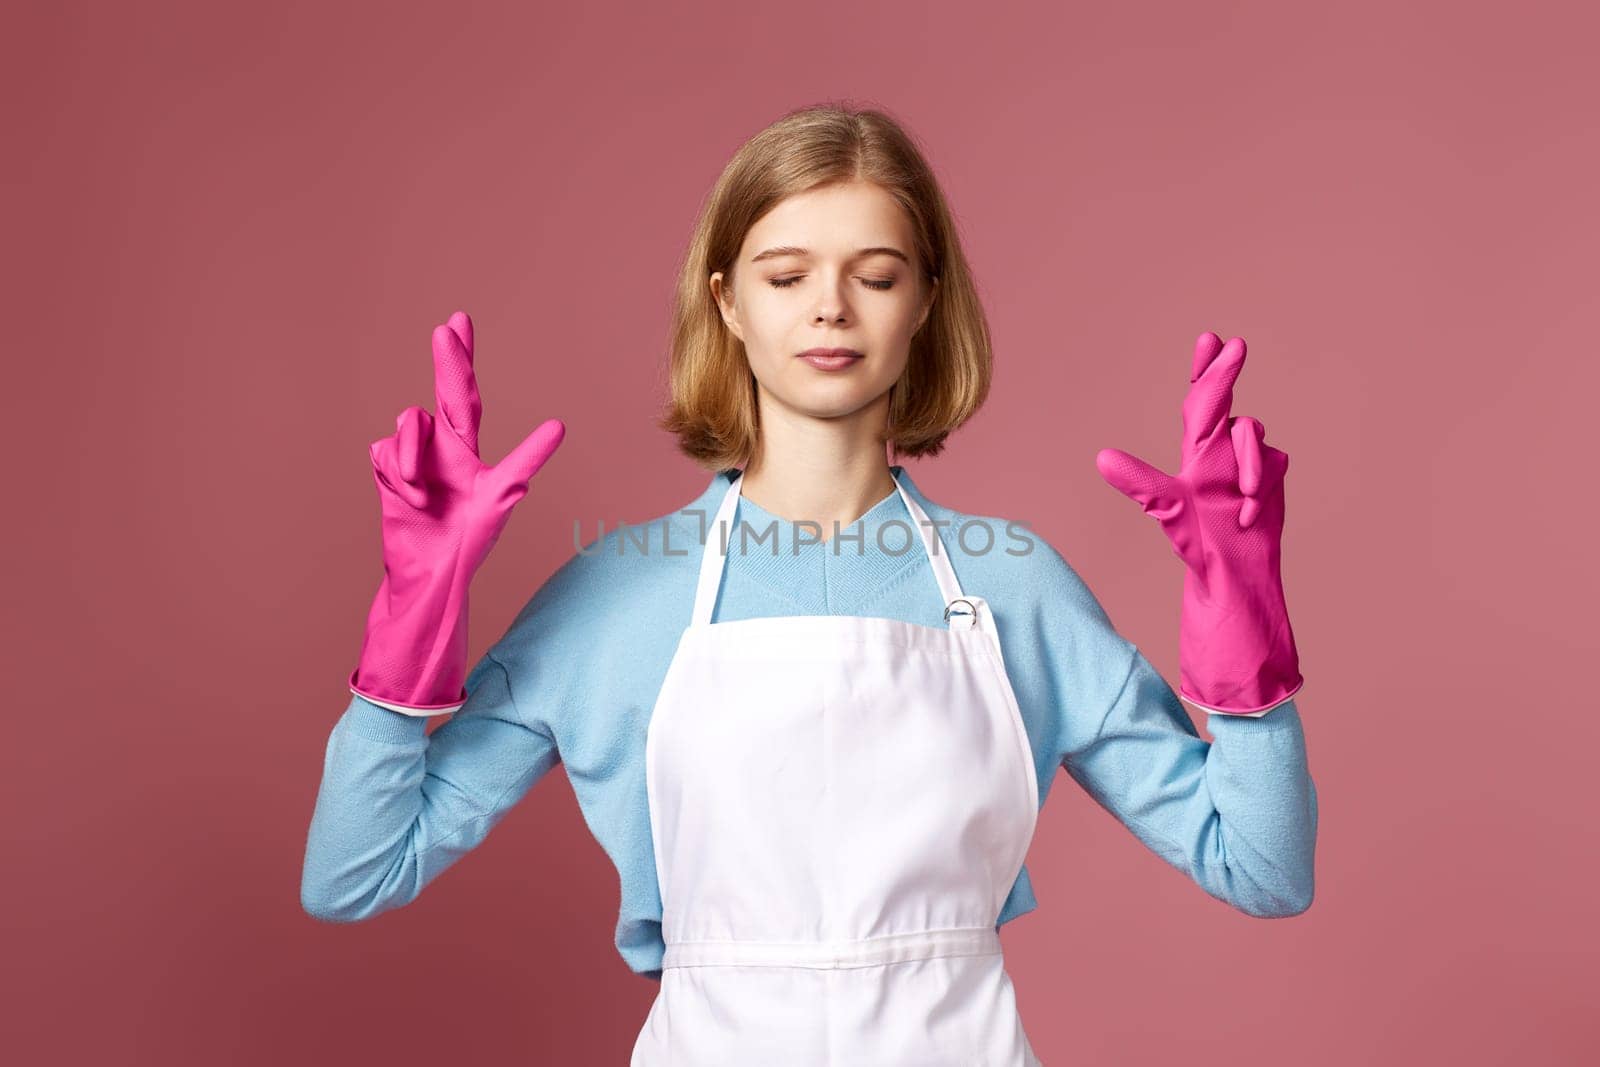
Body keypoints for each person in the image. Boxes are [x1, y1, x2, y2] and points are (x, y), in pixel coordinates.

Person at [300, 103, 1317, 1065]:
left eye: (874, 274)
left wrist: (1248, 647)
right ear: (726, 299)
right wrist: (407, 625)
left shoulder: (1016, 588)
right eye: (785, 275)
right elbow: (355, 873)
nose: (830, 305)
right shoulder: (614, 596)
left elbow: (1262, 872)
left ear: (925, 298)